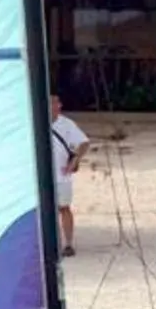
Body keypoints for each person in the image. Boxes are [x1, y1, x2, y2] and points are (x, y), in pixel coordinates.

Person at [50, 95, 88, 257]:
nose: (52, 106)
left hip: (61, 174)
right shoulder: (34, 122)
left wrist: (74, 162)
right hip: (43, 174)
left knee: (64, 207)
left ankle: (68, 243)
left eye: (54, 103)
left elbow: (84, 143)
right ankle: (50, 243)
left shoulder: (66, 124)